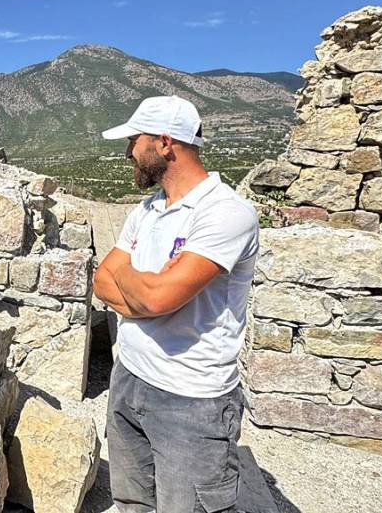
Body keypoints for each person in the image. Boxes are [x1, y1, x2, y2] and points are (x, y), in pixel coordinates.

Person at [92, 95, 259, 513]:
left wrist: (133, 283)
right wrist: (145, 292)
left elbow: (156, 297)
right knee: (133, 502)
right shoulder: (147, 209)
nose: (127, 151)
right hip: (129, 377)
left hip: (191, 400)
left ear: (165, 143)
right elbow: (101, 281)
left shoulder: (224, 213)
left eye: (134, 140)